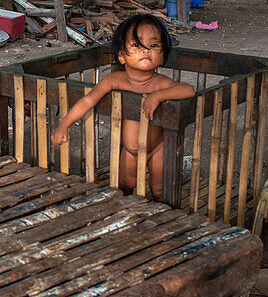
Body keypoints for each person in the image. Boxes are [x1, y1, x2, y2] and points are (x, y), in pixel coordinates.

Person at [50, 14, 195, 200]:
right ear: (121, 56)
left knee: (159, 190)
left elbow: (188, 90)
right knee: (124, 186)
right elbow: (88, 100)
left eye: (154, 45)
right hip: (130, 151)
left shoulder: (161, 84)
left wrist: (159, 96)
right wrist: (64, 125)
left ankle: (163, 218)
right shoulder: (115, 80)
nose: (145, 51)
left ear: (162, 56)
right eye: (137, 45)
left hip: (157, 148)